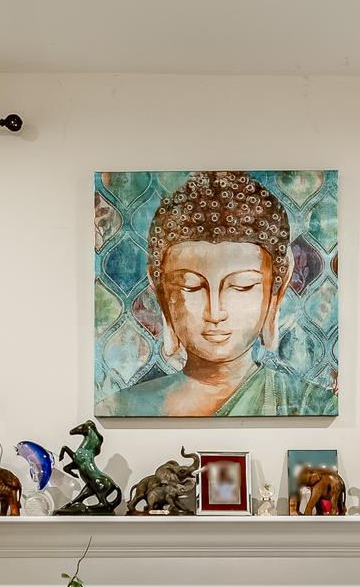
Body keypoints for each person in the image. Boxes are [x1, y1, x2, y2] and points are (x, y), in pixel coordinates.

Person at [97, 172, 336, 417]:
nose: (215, 312)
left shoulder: (313, 404)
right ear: (161, 289)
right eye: (190, 286)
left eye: (242, 286)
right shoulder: (122, 407)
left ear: (277, 286)